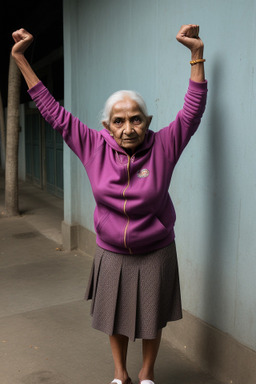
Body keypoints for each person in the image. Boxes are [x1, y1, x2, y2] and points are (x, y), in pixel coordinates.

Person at [12, 24, 207, 384]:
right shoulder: (92, 145)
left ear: (148, 122)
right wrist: (21, 59)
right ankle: (120, 374)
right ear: (107, 126)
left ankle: (147, 373)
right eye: (119, 121)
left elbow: (192, 112)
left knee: (151, 317)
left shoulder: (164, 145)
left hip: (156, 249)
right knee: (113, 315)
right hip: (111, 251)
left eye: (136, 119)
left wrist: (196, 54)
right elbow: (53, 112)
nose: (128, 127)